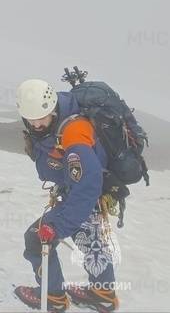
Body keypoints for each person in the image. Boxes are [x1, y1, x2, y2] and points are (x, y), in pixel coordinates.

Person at [14, 79, 120, 312]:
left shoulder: (73, 131)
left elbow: (87, 185)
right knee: (89, 239)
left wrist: (58, 228)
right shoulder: (59, 114)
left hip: (84, 193)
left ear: (53, 109)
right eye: (31, 120)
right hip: (85, 192)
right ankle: (102, 294)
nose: (37, 125)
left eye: (41, 118)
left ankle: (52, 297)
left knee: (37, 238)